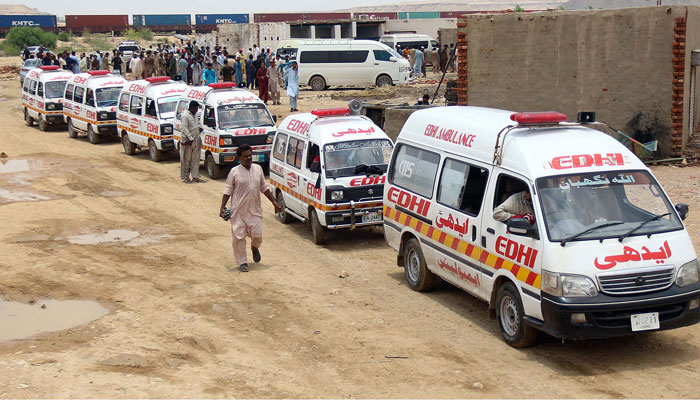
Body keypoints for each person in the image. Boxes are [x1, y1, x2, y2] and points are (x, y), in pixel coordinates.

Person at [219, 144, 282, 272]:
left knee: (257, 235)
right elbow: (228, 190)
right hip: (238, 211)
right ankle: (242, 262)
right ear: (239, 158)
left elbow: (264, 188)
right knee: (239, 237)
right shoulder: (234, 172)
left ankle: (254, 247)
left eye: (250, 155)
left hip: (254, 210)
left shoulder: (258, 169)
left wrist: (274, 202)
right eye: (245, 156)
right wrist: (222, 207)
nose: (248, 158)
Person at [180, 101, 205, 184]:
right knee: (187, 160)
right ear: (193, 107)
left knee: (195, 159)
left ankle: (195, 177)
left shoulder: (195, 115)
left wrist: (200, 129)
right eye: (196, 108)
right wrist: (190, 139)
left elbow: (197, 125)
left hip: (196, 140)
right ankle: (186, 178)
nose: (197, 110)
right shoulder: (185, 116)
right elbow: (184, 128)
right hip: (188, 141)